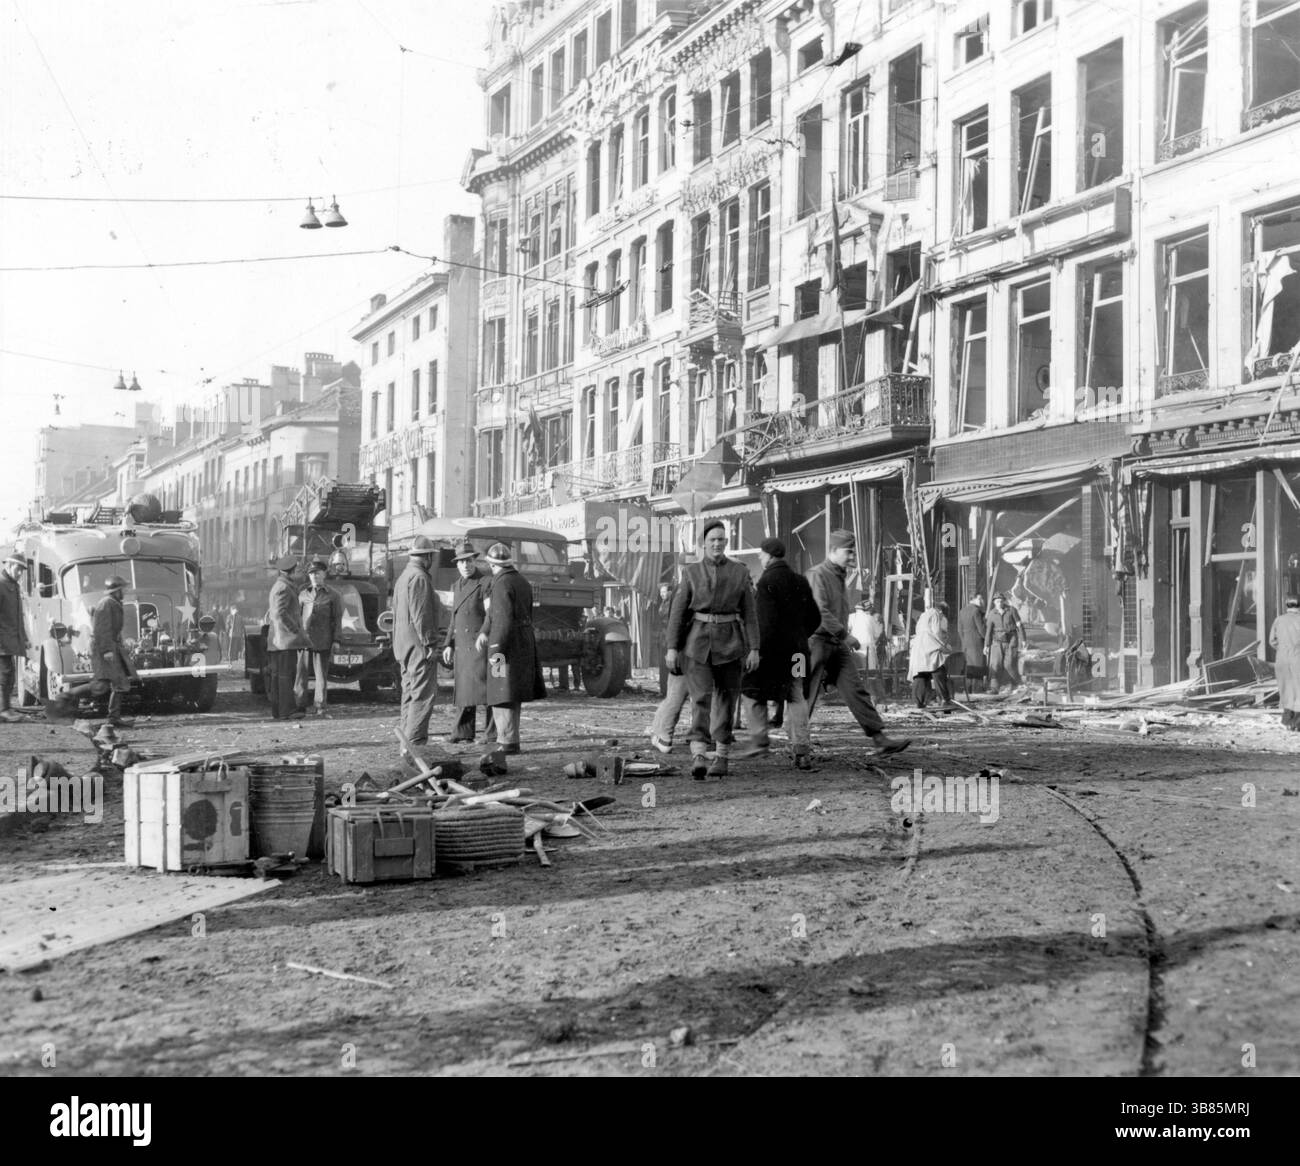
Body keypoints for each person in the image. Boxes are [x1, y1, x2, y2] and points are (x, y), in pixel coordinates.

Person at [665, 519, 760, 780]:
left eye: (721, 539)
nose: (716, 543)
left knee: (727, 701)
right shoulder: (691, 573)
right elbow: (677, 613)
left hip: (731, 644)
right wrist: (672, 648)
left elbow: (750, 614)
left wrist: (754, 648)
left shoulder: (740, 572)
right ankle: (698, 754)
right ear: (704, 544)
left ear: (726, 543)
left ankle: (722, 756)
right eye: (712, 540)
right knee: (700, 699)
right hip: (697, 645)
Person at [806, 530, 910, 755]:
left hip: (836, 645)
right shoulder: (818, 574)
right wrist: (845, 635)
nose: (853, 557)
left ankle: (880, 739)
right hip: (817, 643)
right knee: (808, 695)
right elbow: (819, 611)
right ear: (833, 551)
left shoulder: (839, 575)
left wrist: (842, 637)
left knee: (855, 690)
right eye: (849, 552)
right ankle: (798, 747)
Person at [736, 538, 820, 770]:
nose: (760, 559)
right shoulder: (800, 581)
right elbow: (815, 618)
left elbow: (766, 622)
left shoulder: (766, 582)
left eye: (761, 555)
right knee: (797, 695)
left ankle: (760, 740)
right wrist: (801, 636)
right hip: (799, 652)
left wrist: (758, 650)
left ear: (770, 556)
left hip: (774, 652)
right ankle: (802, 750)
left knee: (751, 691)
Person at [476, 542, 547, 754]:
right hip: (523, 644)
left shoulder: (500, 584)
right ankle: (511, 738)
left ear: (492, 565)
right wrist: (483, 631)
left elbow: (502, 621)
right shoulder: (522, 581)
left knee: (500, 692)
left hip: (504, 648)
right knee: (512, 692)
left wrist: (496, 651)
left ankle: (506, 742)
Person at [441, 540, 494, 743]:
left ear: (475, 561)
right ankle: (462, 732)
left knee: (487, 690)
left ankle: (491, 733)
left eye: (469, 561)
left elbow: (490, 614)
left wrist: (484, 633)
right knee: (464, 690)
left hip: (480, 645)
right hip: (462, 645)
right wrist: (448, 644)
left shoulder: (486, 582)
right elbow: (454, 619)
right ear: (457, 564)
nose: (466, 565)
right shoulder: (456, 586)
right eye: (462, 562)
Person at [393, 535, 442, 749]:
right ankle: (415, 746)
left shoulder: (404, 577)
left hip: (403, 645)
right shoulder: (420, 578)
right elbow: (422, 617)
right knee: (422, 695)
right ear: (428, 557)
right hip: (419, 647)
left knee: (409, 694)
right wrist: (431, 644)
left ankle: (405, 744)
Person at [90, 574, 138, 726]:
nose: (125, 591)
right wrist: (107, 651)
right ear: (117, 590)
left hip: (111, 647)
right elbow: (101, 630)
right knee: (114, 683)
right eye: (123, 589)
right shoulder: (106, 604)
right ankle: (113, 718)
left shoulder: (112, 603)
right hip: (106, 648)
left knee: (116, 683)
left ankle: (114, 718)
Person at [296, 560, 342, 716]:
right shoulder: (302, 594)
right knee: (301, 673)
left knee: (321, 674)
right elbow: (297, 617)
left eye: (317, 573)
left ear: (324, 574)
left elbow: (337, 619)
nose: (314, 576)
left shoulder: (333, 595)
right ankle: (299, 704)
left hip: (323, 639)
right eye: (311, 573)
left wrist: (336, 640)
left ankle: (320, 705)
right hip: (304, 640)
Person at [266, 555, 310, 720]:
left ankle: (279, 711)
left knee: (279, 677)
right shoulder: (283, 587)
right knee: (286, 676)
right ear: (290, 572)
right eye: (297, 570)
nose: (299, 573)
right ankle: (287, 710)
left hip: (279, 640)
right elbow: (278, 613)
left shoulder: (281, 585)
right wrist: (294, 629)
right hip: (284, 640)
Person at [0, 553, 29, 722]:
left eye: (22, 570)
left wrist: (23, 636)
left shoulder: (11, 585)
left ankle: (6, 708)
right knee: (6, 673)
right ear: (9, 565)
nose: (20, 573)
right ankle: (4, 710)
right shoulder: (2, 585)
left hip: (9, 640)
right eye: (18, 569)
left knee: (8, 674)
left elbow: (16, 616)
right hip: (2, 641)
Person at [909, 599, 953, 708]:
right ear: (942, 611)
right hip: (929, 645)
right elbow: (936, 632)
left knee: (921, 673)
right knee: (938, 670)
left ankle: (918, 701)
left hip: (918, 646)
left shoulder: (924, 614)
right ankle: (944, 699)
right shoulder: (936, 614)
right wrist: (944, 646)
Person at [1269, 595, 1300, 730]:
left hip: (1281, 660)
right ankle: (1297, 724)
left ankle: (1287, 721)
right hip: (1297, 659)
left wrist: (1283, 650)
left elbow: (1272, 641)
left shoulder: (1279, 620)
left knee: (1286, 689)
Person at [985, 592, 1024, 695]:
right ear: (994, 602)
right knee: (995, 664)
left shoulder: (1011, 610)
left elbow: (1019, 625)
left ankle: (1017, 683)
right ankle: (994, 688)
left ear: (1004, 601)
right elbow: (988, 631)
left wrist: (1023, 639)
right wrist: (986, 645)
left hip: (1011, 641)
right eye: (997, 601)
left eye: (1001, 601)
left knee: (1009, 664)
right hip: (997, 642)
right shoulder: (992, 614)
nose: (999, 603)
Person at [957, 594, 988, 692]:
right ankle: (977, 691)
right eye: (979, 598)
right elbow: (981, 629)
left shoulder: (962, 611)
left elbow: (959, 630)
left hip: (966, 643)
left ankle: (967, 691)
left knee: (969, 668)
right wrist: (987, 639)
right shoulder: (976, 611)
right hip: (977, 643)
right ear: (973, 599)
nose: (981, 600)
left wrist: (964, 640)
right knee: (978, 667)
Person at [654, 582, 674, 697]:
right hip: (663, 637)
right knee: (663, 665)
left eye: (664, 592)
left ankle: (669, 692)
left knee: (670, 665)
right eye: (661, 592)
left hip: (670, 637)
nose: (662, 594)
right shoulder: (663, 603)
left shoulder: (673, 604)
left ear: (670, 592)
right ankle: (664, 691)